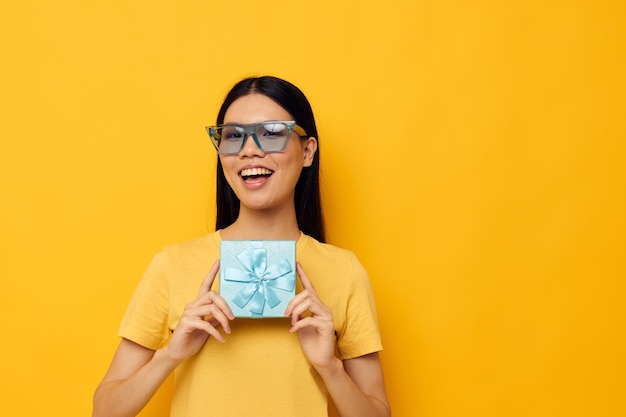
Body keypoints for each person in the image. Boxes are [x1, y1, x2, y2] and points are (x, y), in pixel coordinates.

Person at [93, 76, 390, 417]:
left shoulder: (344, 271)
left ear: (307, 151)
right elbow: (105, 410)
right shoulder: (171, 265)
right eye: (233, 136)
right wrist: (171, 354)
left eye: (272, 133)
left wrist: (329, 367)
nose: (250, 149)